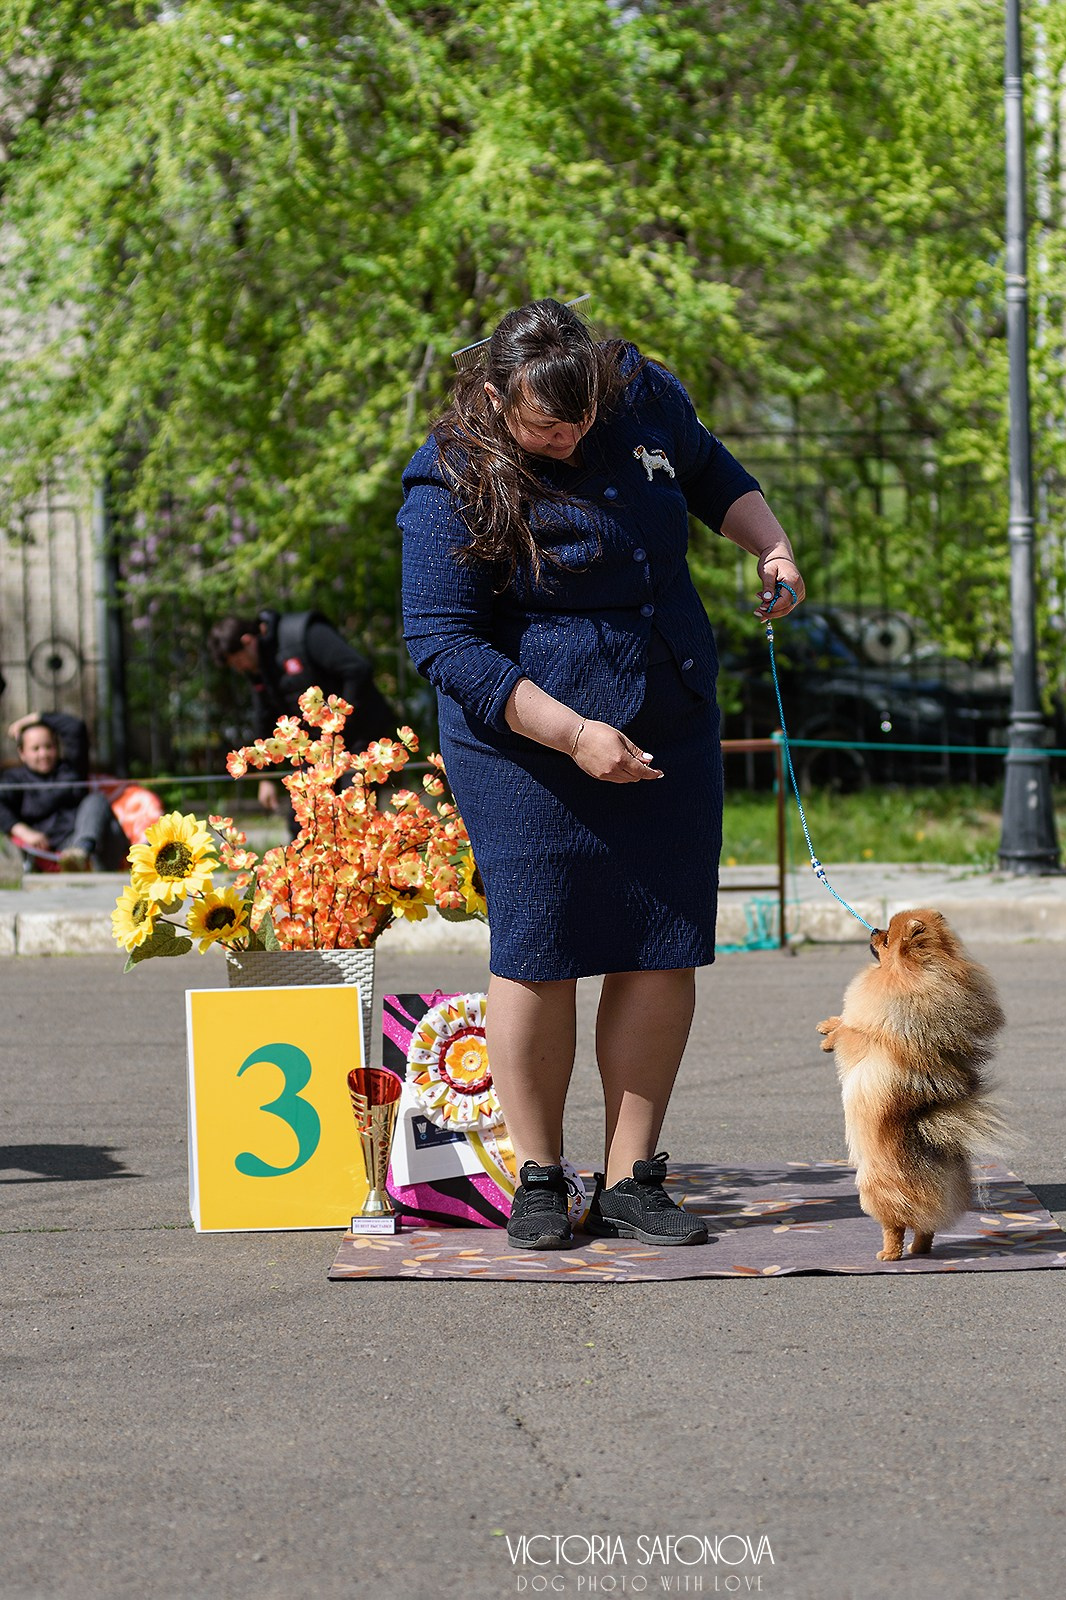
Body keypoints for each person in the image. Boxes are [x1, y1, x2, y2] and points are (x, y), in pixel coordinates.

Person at [400, 298, 805, 1250]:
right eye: (547, 422)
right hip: (523, 739)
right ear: (498, 396)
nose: (571, 435)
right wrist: (575, 733)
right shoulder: (450, 471)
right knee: (539, 944)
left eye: (583, 417)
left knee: (662, 941)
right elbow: (443, 641)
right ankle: (539, 1178)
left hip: (667, 712)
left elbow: (712, 476)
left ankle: (631, 1177)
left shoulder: (643, 395)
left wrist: (772, 545)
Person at [208, 608, 397, 819]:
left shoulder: (302, 633)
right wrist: (266, 778)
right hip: (317, 747)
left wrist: (339, 722)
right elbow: (265, 717)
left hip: (359, 736)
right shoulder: (258, 669)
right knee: (305, 817)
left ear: (247, 640)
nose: (239, 668)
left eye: (237, 661)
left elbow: (357, 669)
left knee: (353, 812)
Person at [0, 711, 128, 870]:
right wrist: (23, 831)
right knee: (112, 826)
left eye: (49, 747)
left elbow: (75, 728)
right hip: (53, 848)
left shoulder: (71, 770)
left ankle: (82, 851)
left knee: (96, 800)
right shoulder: (14, 779)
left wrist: (33, 718)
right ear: (22, 753)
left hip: (86, 839)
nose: (44, 754)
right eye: (36, 748)